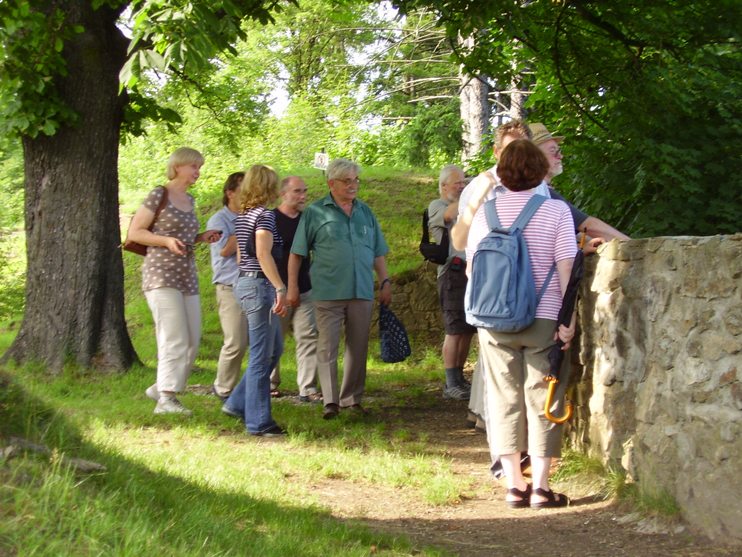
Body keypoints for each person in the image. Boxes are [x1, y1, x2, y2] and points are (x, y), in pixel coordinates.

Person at [465, 139, 577, 508]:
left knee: (502, 398)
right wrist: (568, 319)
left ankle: (514, 485)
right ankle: (541, 488)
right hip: (543, 316)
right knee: (543, 397)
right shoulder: (556, 211)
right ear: (541, 171)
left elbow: (472, 270)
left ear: (502, 173)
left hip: (494, 318)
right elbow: (566, 268)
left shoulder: (486, 214)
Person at [288, 158, 391, 420]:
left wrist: (385, 281)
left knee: (358, 347)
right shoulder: (315, 212)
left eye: (356, 180)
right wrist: (292, 287)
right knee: (327, 347)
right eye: (347, 181)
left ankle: (352, 400)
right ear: (331, 183)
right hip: (328, 290)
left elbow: (378, 252)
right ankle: (330, 401)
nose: (353, 185)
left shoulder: (365, 212)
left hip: (361, 290)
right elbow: (297, 253)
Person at [127, 147, 222, 415]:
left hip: (186, 274)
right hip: (160, 273)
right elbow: (136, 232)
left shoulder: (190, 199)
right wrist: (165, 241)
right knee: (174, 336)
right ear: (178, 166)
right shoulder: (160, 194)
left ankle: (160, 387)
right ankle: (167, 399)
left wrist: (201, 238)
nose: (198, 172)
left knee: (192, 338)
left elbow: (183, 237)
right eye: (194, 166)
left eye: (199, 167)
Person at [221, 164, 288, 437]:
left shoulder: (244, 216)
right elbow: (263, 254)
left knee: (274, 349)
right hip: (259, 286)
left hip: (246, 283)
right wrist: (280, 287)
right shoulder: (264, 216)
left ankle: (237, 403)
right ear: (268, 186)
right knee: (262, 355)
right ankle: (259, 422)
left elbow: (241, 256)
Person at [272, 176, 321, 403]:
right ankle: (269, 383)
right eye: (297, 191)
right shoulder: (271, 219)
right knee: (274, 338)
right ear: (283, 193)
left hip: (306, 288)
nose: (303, 196)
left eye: (305, 191)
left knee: (309, 336)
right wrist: (282, 288)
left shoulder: (308, 219)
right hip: (277, 290)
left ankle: (308, 388)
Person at [428, 165, 475, 401]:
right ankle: (450, 383)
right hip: (451, 273)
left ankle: (459, 378)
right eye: (457, 183)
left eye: (464, 182)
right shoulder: (437, 206)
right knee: (454, 329)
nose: (462, 186)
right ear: (443, 185)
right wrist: (475, 192)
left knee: (468, 330)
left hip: (469, 272)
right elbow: (448, 215)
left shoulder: (466, 207)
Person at [206, 172, 248, 401]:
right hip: (230, 286)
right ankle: (223, 388)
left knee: (264, 341)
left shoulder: (255, 216)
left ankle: (264, 386)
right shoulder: (218, 220)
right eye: (243, 190)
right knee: (236, 342)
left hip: (255, 284)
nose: (249, 195)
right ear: (230, 193)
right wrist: (244, 223)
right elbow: (224, 250)